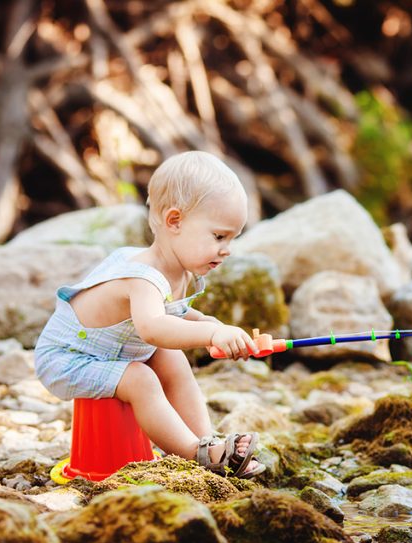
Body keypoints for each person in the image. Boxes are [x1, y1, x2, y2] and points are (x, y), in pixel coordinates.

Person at [34, 151, 265, 477]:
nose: (227, 249)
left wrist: (214, 326)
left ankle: (205, 442)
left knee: (172, 361)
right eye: (218, 236)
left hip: (113, 351)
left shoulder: (182, 272)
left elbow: (175, 314)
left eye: (232, 238)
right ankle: (193, 454)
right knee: (141, 379)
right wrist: (211, 335)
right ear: (175, 221)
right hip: (68, 358)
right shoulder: (142, 276)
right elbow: (153, 328)